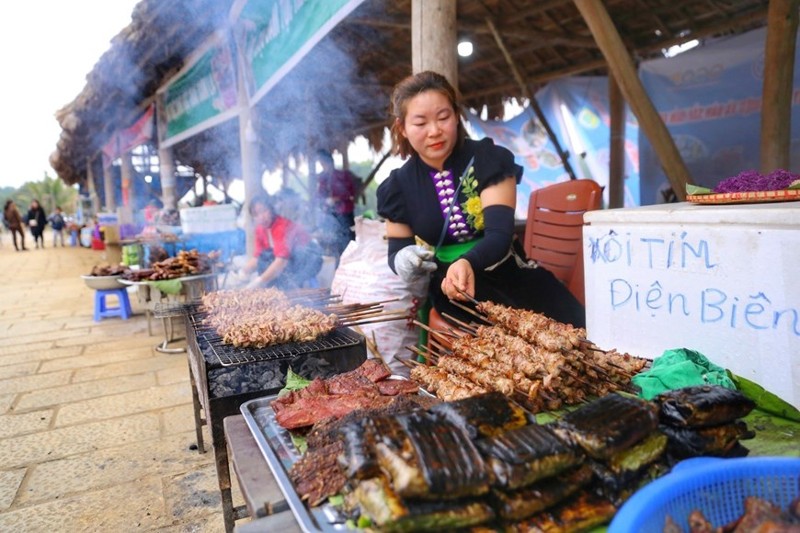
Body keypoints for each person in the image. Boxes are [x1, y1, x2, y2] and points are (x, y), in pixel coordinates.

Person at [376, 70, 585, 328]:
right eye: (420, 123)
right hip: (452, 291)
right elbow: (396, 249)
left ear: (456, 115)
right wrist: (404, 260)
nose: (434, 131)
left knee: (572, 330)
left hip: (510, 277)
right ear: (402, 128)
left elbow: (499, 235)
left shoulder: (489, 159)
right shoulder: (397, 186)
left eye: (444, 117)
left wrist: (467, 261)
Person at [241, 195, 323, 290]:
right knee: (264, 258)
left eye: (264, 211)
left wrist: (259, 281)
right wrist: (243, 272)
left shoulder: (282, 226)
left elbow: (281, 262)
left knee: (290, 287)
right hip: (289, 261)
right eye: (256, 214)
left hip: (308, 260)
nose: (261, 217)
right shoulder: (260, 230)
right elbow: (257, 258)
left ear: (271, 210)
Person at [315, 149, 357, 258]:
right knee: (334, 241)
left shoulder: (343, 175)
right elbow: (319, 195)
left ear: (330, 162)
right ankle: (338, 264)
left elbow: (350, 193)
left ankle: (350, 260)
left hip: (344, 213)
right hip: (330, 214)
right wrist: (324, 202)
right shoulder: (322, 178)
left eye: (324, 163)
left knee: (348, 239)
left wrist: (336, 199)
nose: (323, 165)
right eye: (321, 163)